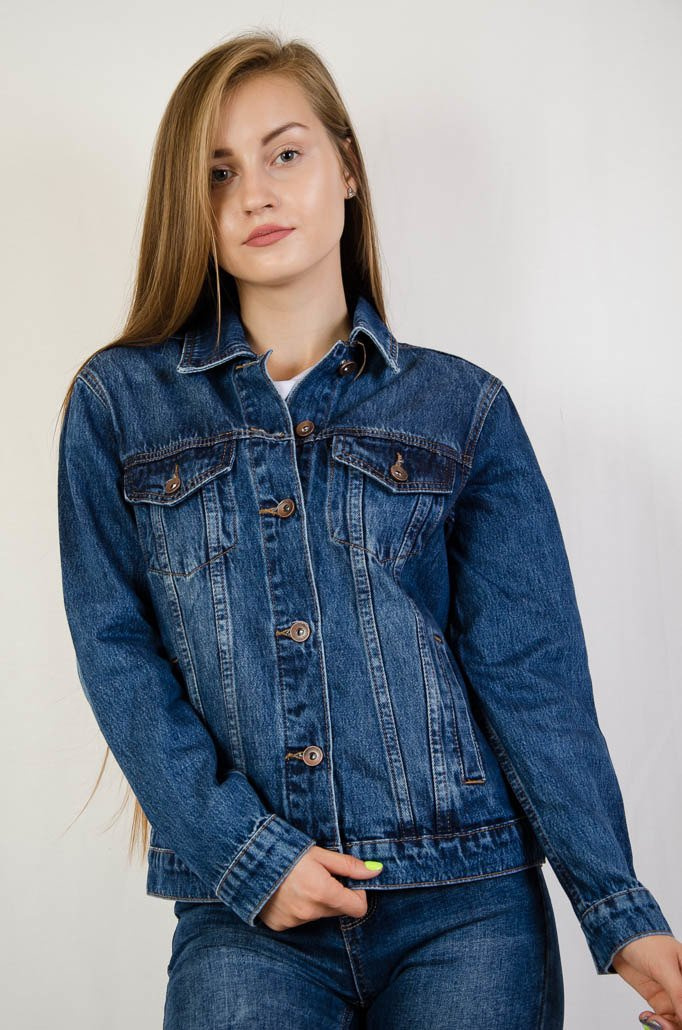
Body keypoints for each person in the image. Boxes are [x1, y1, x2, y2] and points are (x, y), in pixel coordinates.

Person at [56, 29, 680, 1030]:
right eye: (219, 172)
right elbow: (116, 654)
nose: (255, 193)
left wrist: (617, 909)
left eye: (285, 153)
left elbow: (528, 672)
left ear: (346, 167)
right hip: (245, 915)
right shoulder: (119, 404)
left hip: (467, 902)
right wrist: (247, 855)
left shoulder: (462, 408)